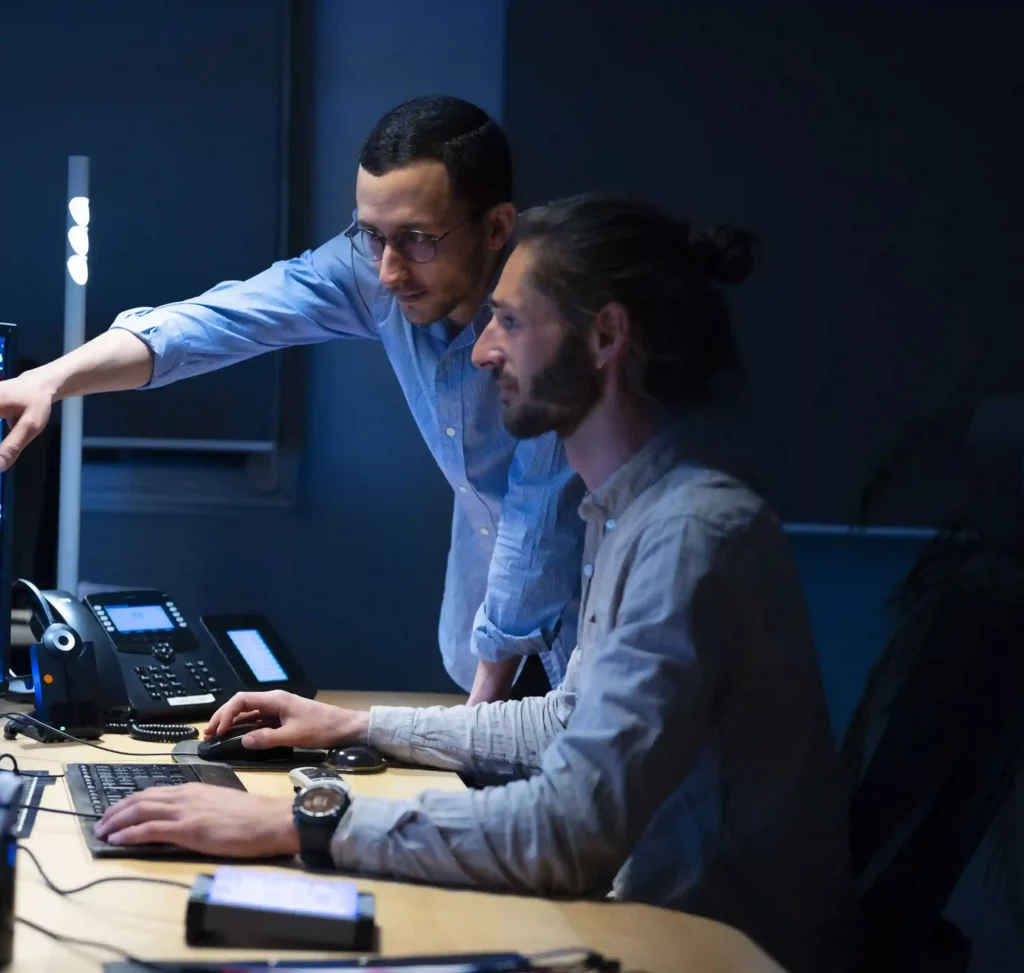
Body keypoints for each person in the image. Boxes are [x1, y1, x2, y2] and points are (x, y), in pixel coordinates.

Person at [94, 195, 855, 973]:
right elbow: (565, 721)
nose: (485, 350)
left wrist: (306, 822)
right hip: (636, 925)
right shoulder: (628, 513)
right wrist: (354, 727)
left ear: (606, 337)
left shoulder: (690, 534)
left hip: (695, 949)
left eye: (512, 323)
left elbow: (569, 831)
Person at [0, 96, 583, 705]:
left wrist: (477, 722)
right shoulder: (379, 268)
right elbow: (225, 319)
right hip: (485, 635)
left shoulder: (550, 309)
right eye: (370, 235)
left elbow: (537, 521)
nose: (387, 271)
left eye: (416, 239)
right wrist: (52, 379)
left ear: (496, 227)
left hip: (593, 633)